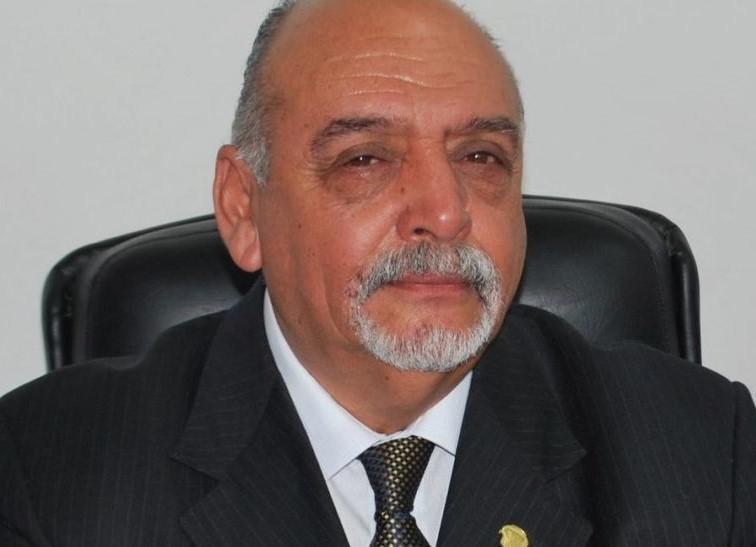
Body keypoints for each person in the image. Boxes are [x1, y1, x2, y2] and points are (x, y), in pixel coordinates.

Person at [1, 0, 754, 545]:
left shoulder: (702, 455)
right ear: (243, 208)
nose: (446, 211)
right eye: (364, 159)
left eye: (480, 157)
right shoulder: (48, 471)